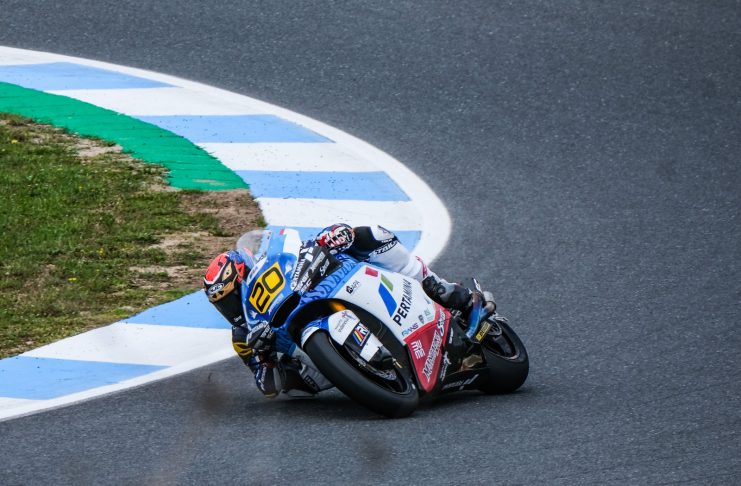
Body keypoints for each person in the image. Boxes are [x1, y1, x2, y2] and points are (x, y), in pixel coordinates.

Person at [203, 224, 495, 398]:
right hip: (309, 351)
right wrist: (265, 358)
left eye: (231, 297)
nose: (230, 308)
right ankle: (365, 374)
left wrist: (334, 235)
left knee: (370, 235)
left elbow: (302, 245)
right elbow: (268, 387)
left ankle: (442, 289)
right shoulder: (243, 336)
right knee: (296, 387)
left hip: (325, 286)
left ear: (244, 273)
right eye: (222, 304)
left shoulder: (275, 263)